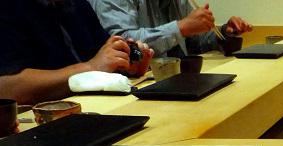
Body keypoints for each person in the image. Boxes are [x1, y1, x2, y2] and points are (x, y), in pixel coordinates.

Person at [0, 0, 153, 105]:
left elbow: (105, 59)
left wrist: (127, 64)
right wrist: (90, 68)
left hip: (95, 110)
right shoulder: (8, 8)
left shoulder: (77, 4)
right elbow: (7, 88)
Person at [88, 1, 252, 57]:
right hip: (129, 88)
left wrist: (223, 33)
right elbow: (122, 44)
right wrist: (181, 28)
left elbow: (192, 42)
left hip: (174, 81)